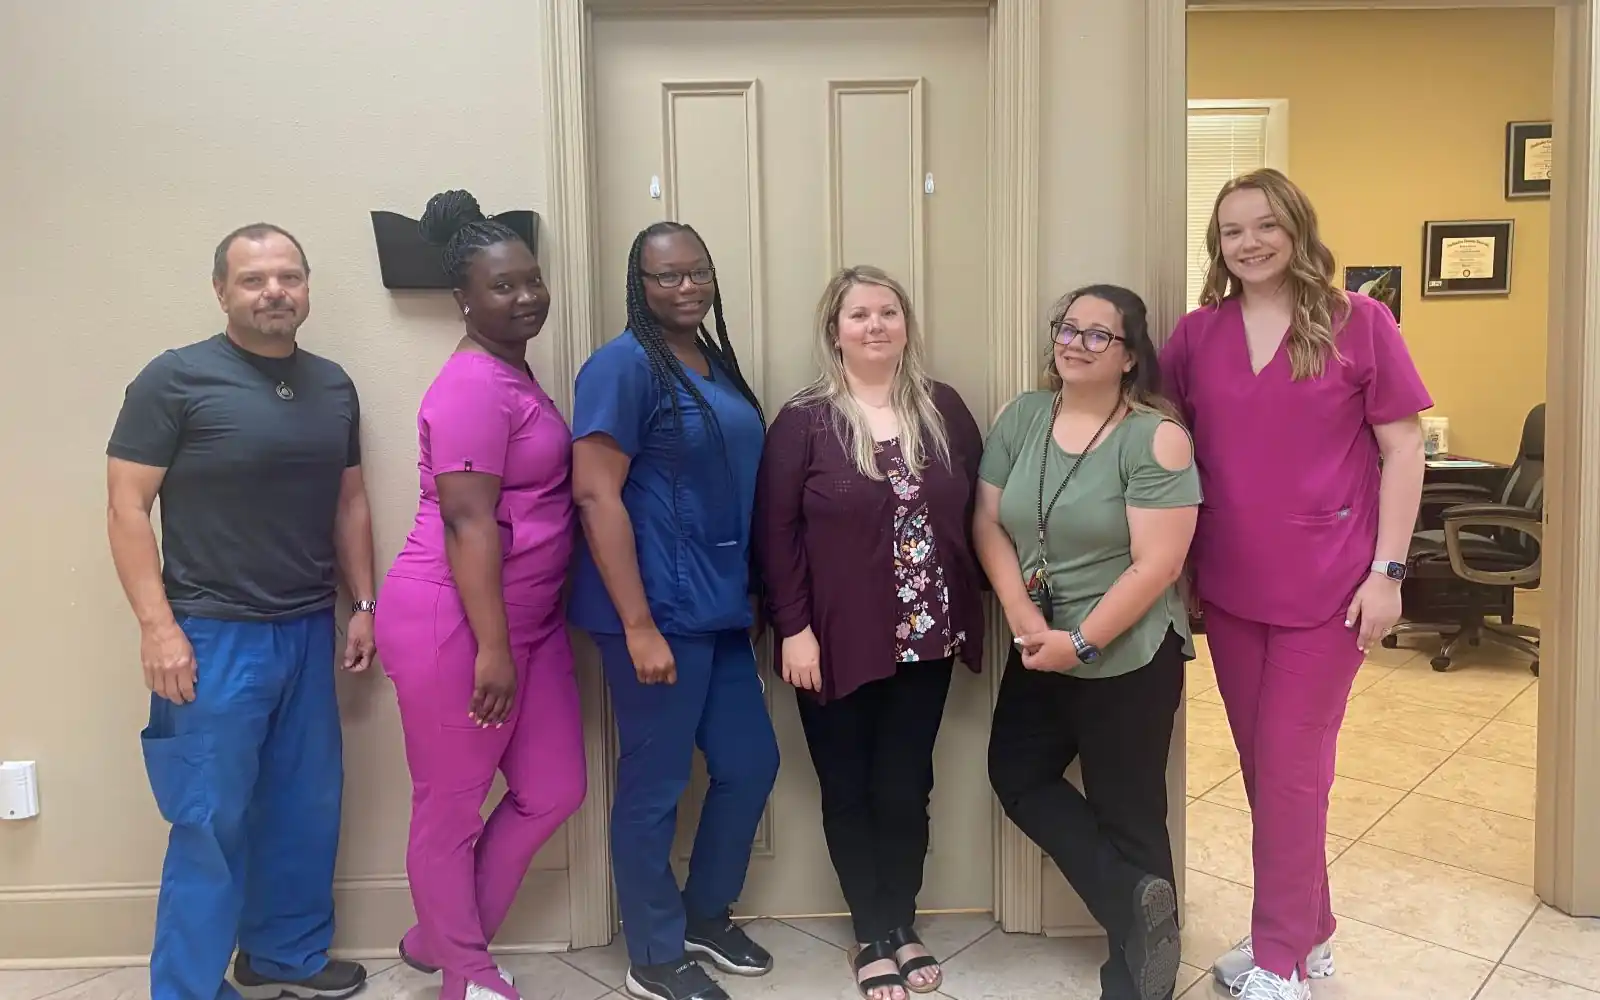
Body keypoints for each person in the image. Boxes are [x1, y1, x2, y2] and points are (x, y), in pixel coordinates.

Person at [1160, 168, 1430, 1000]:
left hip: (1332, 587)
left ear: (1297, 229)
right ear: (1217, 244)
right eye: (1232, 230)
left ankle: (1280, 962)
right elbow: (1167, 450)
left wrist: (1388, 572)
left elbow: (1404, 449)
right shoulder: (1195, 336)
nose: (1249, 242)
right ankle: (1309, 931)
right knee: (1268, 768)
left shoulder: (1360, 323)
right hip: (1231, 587)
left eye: (1266, 225)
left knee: (1287, 770)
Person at [106, 224, 377, 1000]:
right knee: (209, 821)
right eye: (254, 279)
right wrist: (158, 628)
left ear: (307, 287)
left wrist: (363, 603)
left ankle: (284, 954)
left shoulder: (333, 386)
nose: (274, 292)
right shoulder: (174, 379)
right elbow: (126, 508)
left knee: (303, 808)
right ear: (221, 291)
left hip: (306, 629)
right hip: (211, 635)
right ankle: (188, 989)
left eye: (289, 276)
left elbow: (350, 502)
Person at [376, 191, 588, 1000]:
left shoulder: (513, 373)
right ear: (463, 298)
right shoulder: (471, 384)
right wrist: (492, 648)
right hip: (455, 622)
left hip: (529, 622)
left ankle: (437, 939)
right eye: (503, 286)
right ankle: (464, 975)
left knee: (555, 790)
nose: (526, 296)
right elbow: (467, 521)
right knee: (451, 807)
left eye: (531, 279)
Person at [753, 266, 984, 1000]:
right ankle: (869, 931)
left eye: (888, 312)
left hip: (928, 639)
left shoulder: (942, 409)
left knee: (906, 786)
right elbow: (775, 533)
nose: (875, 325)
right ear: (835, 331)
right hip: (832, 639)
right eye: (859, 314)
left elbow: (980, 512)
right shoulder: (805, 420)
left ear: (906, 326)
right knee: (848, 787)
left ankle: (901, 923)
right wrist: (794, 629)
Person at [568, 221, 780, 1000]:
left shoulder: (711, 362)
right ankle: (654, 954)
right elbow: (595, 494)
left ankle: (701, 915)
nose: (687, 287)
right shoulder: (622, 366)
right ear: (640, 285)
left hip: (715, 607)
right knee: (655, 785)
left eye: (699, 271)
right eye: (667, 276)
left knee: (751, 764)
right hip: (654, 607)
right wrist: (637, 624)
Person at [975, 285, 1198, 1000]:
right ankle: (1136, 901)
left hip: (1128, 653)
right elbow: (987, 522)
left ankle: (1136, 982)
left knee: (1128, 811)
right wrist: (1022, 615)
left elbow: (1158, 565)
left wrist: (1081, 642)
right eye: (1068, 329)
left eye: (1098, 335)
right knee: (1017, 775)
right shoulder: (1023, 417)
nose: (1075, 343)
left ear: (1130, 356)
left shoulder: (1155, 437)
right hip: (1039, 640)